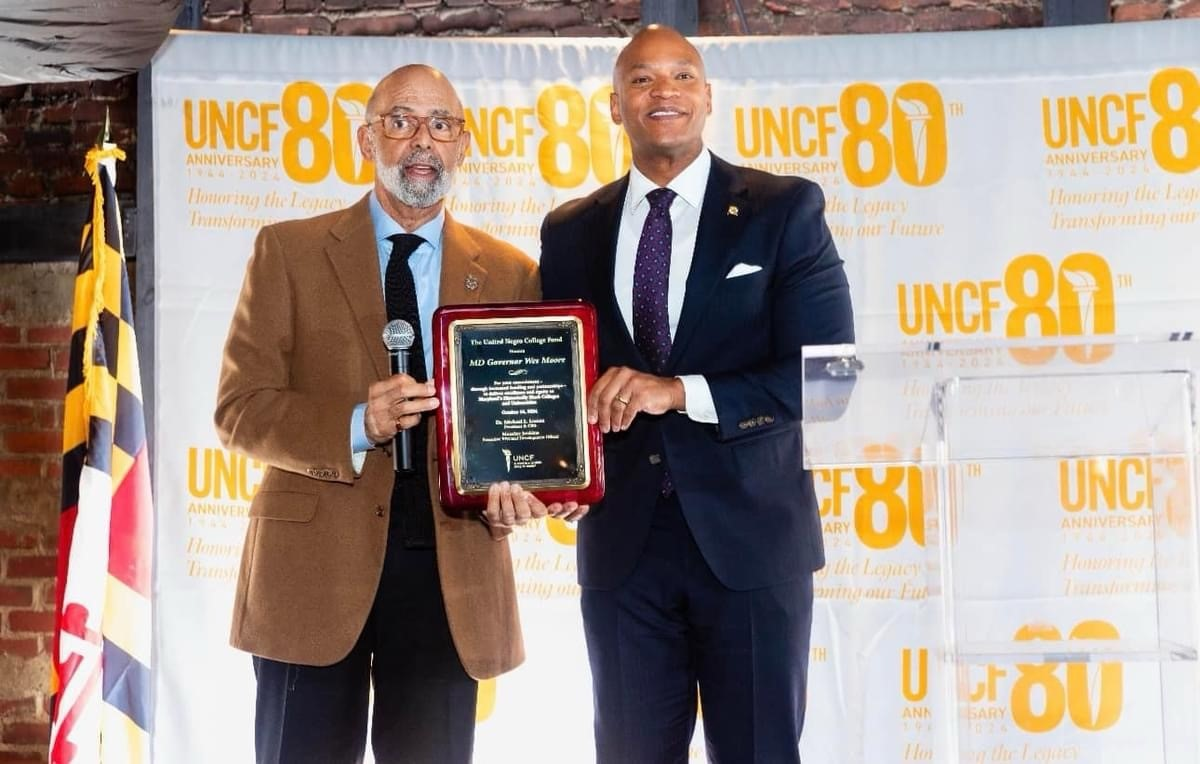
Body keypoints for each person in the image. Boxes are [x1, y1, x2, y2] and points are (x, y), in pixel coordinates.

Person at [215, 64, 581, 764]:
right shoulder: (287, 252)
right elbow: (239, 411)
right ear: (365, 139)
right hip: (309, 575)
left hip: (452, 573)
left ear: (464, 146)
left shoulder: (511, 273)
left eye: (441, 124)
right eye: (401, 120)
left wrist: (520, 494)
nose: (422, 141)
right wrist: (358, 422)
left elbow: (527, 426)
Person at [539, 25, 855, 763]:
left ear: (708, 98)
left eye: (683, 75)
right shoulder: (570, 231)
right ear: (614, 105)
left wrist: (680, 392)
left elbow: (829, 378)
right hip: (622, 552)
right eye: (642, 79)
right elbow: (558, 381)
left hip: (752, 546)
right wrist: (547, 464)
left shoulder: (785, 212)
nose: (664, 92)